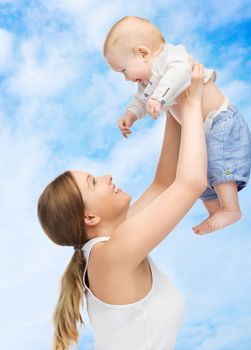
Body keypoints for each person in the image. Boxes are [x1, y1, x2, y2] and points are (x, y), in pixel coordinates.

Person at [37, 63, 207, 350]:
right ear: (89, 217)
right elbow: (190, 183)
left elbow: (164, 183)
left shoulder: (113, 244)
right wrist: (192, 105)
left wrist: (174, 93)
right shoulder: (110, 256)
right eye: (94, 182)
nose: (108, 177)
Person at [103, 16, 251, 235]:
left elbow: (179, 75)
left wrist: (159, 98)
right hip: (202, 129)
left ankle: (231, 208)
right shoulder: (146, 81)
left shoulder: (172, 58)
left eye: (123, 70)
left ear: (143, 53)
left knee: (219, 166)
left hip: (220, 120)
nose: (125, 78)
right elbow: (140, 100)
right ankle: (214, 211)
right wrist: (130, 115)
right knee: (200, 171)